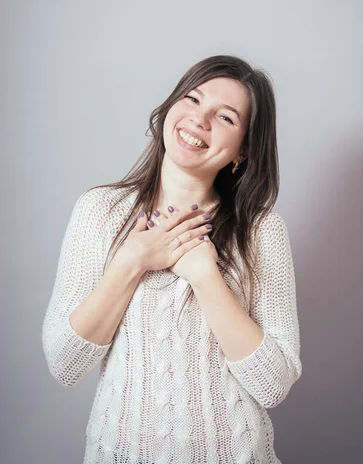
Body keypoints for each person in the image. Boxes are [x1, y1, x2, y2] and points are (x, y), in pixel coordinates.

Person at [42, 54, 302, 464]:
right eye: (193, 99)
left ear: (244, 151)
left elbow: (272, 385)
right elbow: (65, 365)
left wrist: (205, 275)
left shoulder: (260, 231)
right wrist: (131, 261)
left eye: (226, 118)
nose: (200, 120)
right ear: (170, 106)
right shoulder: (100, 212)